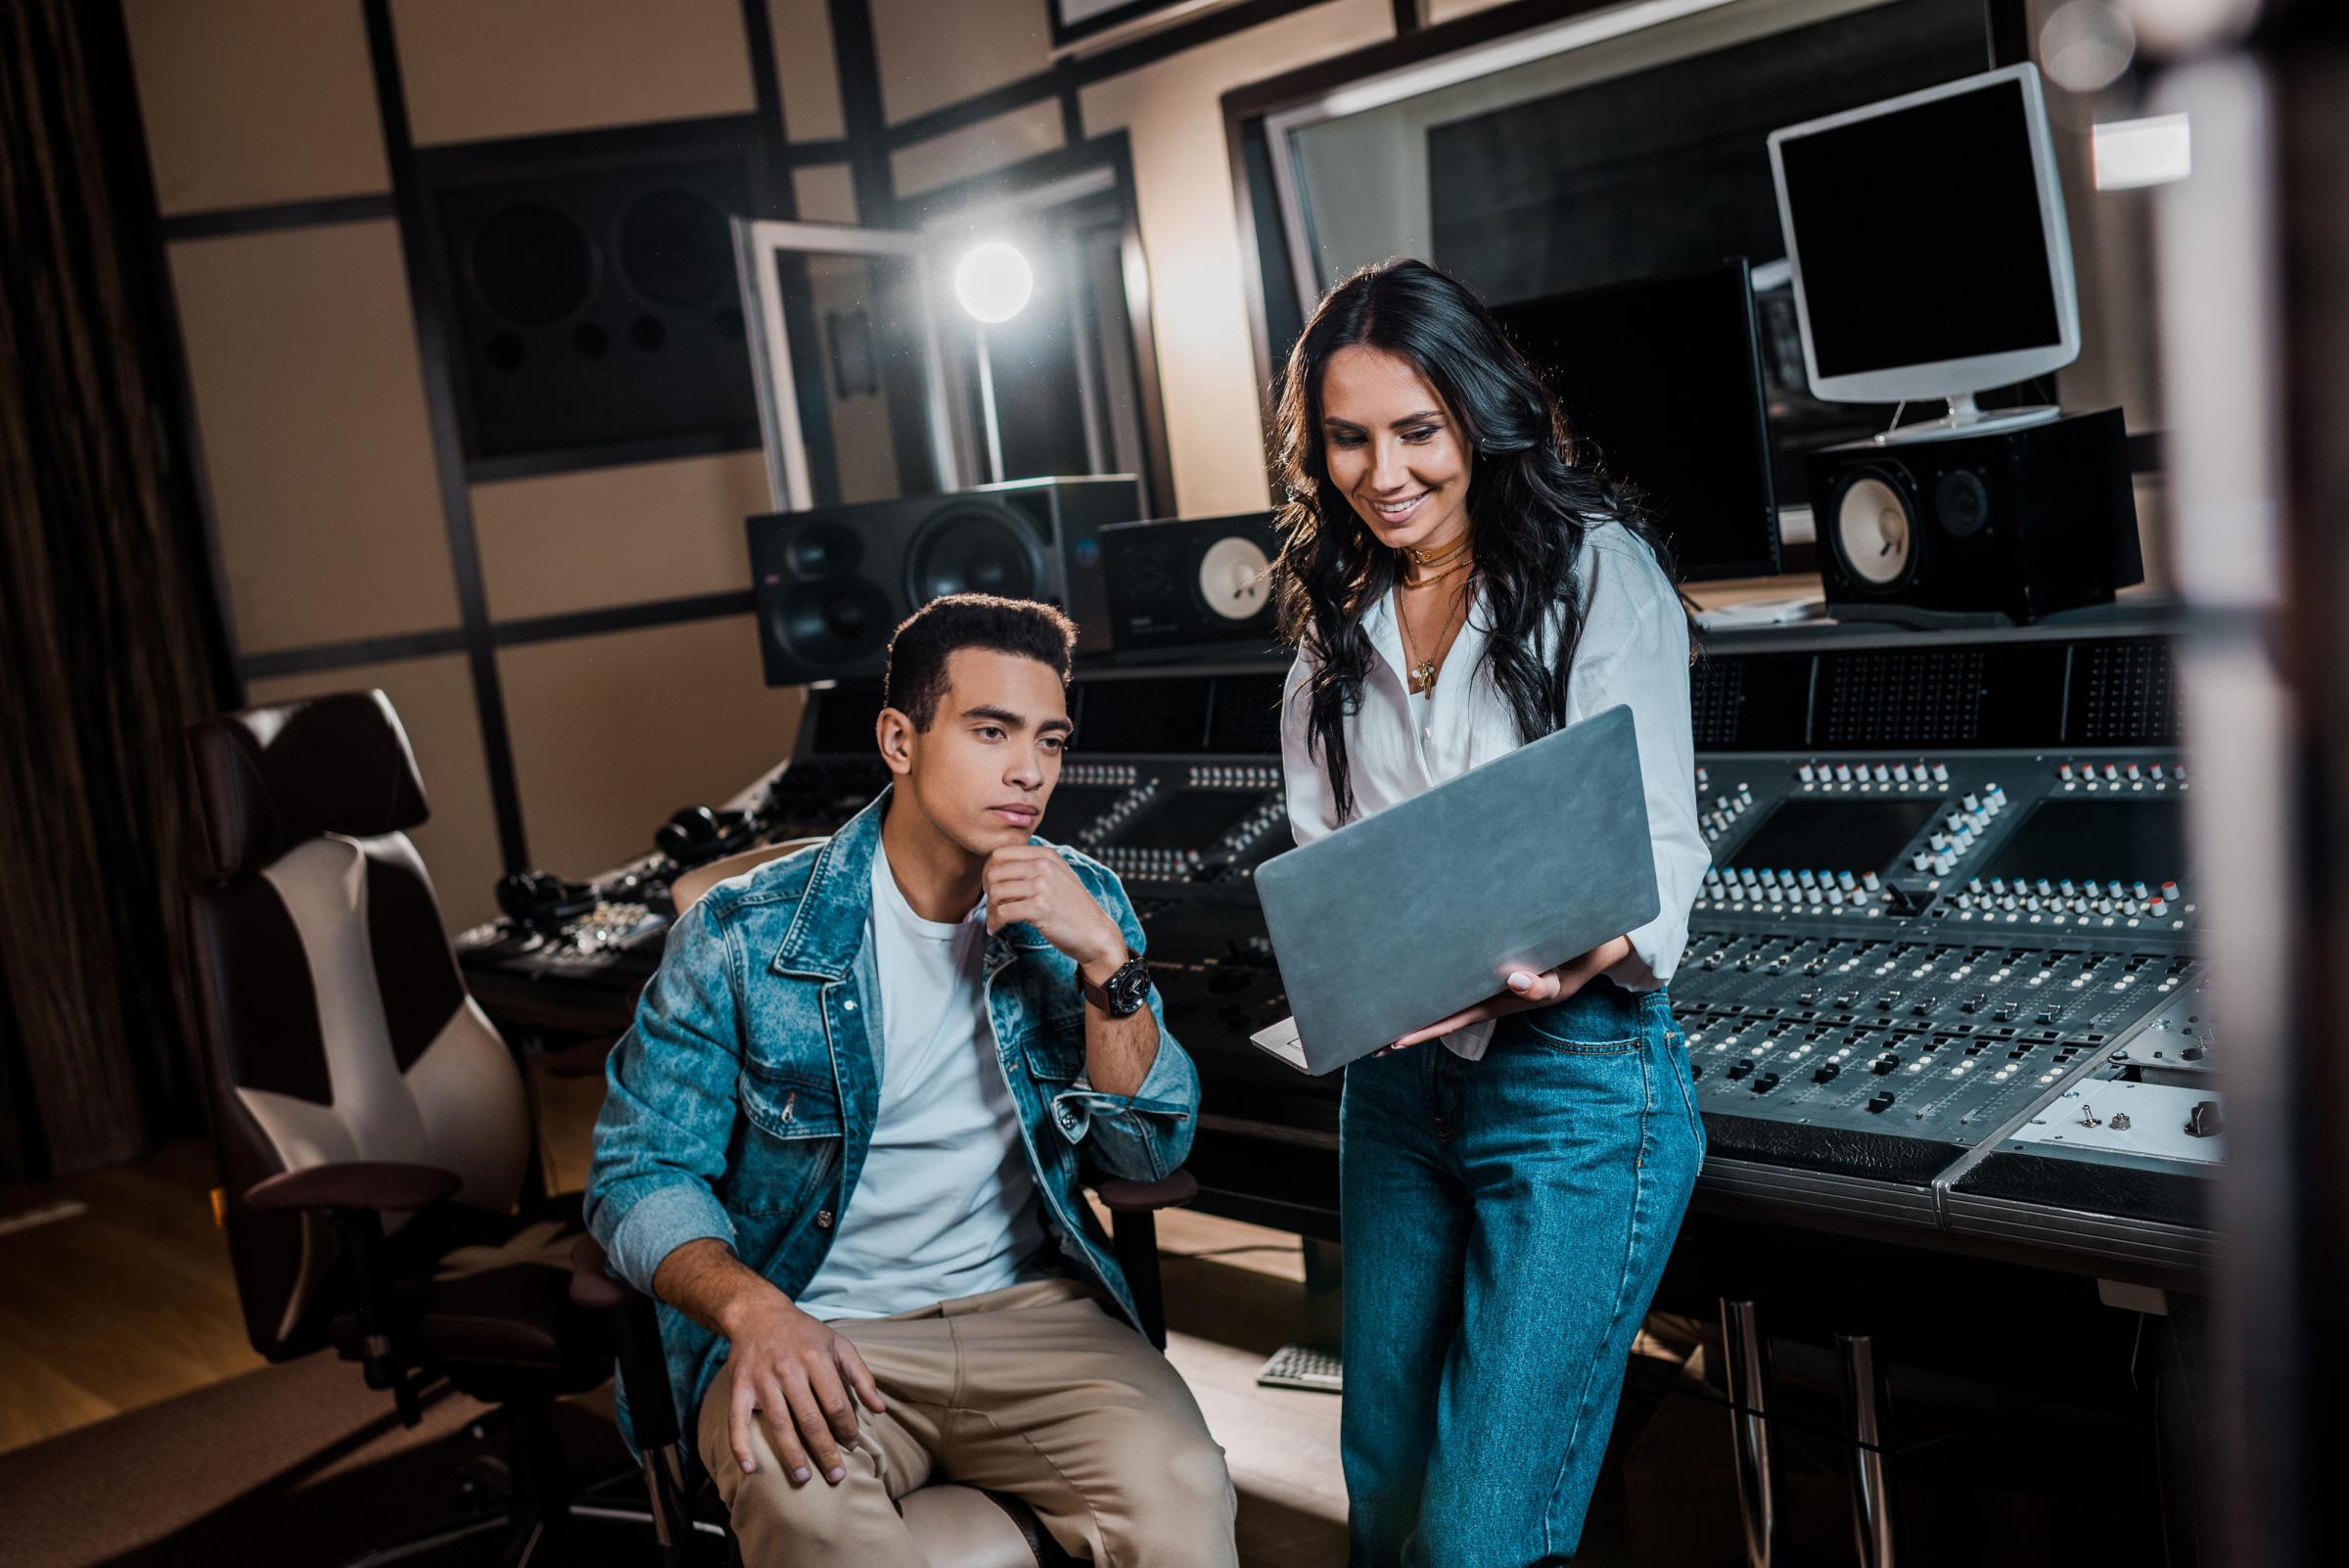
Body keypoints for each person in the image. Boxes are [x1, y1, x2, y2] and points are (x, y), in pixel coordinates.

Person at [587, 593, 1238, 1568]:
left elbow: (1143, 1151)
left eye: (1051, 742)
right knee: (815, 1527)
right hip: (815, 1322)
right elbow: (638, 1175)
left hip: (1030, 1315)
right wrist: (756, 1313)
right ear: (900, 738)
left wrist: (1109, 963)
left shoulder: (1082, 902)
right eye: (991, 731)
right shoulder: (740, 934)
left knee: (1186, 1498)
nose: (1031, 770)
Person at [1270, 258, 1709, 1567]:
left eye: (1417, 430)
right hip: (1400, 1093)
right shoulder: (1329, 632)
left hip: (1574, 1085)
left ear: (1478, 414)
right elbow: (1328, 860)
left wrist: (1582, 949)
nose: (1383, 469)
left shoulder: (1595, 572)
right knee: (1385, 1496)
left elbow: (1663, 850)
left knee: (1476, 1536)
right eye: (1348, 438)